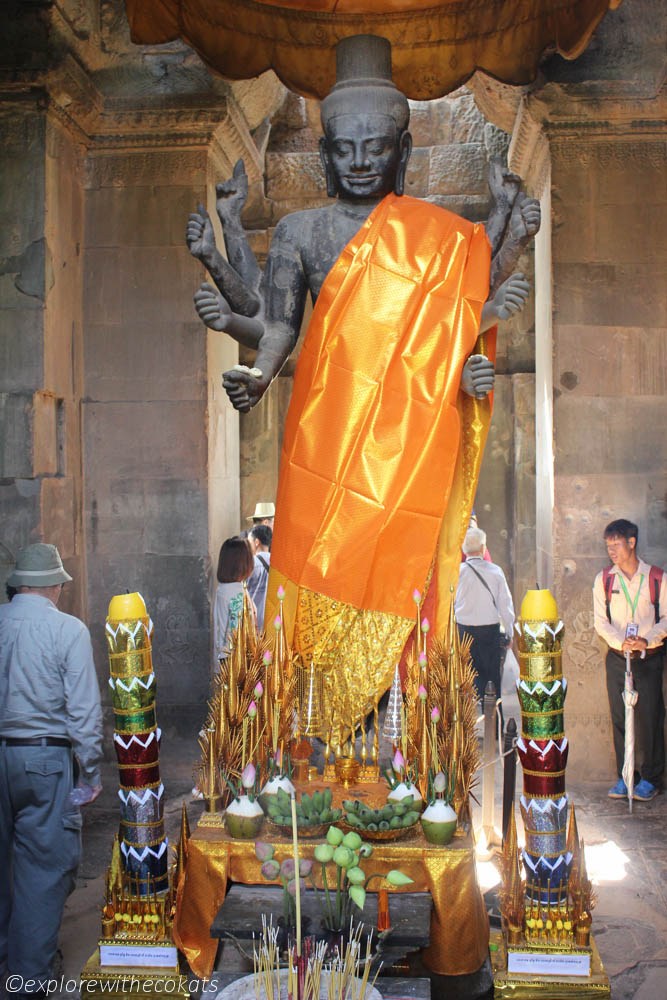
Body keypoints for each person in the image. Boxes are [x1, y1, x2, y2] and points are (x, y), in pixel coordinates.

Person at [187, 34, 539, 733]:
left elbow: (453, 316)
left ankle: (402, 742)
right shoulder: (299, 230)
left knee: (398, 573)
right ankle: (309, 741)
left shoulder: (437, 236)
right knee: (315, 576)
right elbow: (282, 327)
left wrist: (509, 236)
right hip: (322, 438)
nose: (356, 162)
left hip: (403, 441)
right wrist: (258, 375)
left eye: (374, 148)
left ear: (402, 154)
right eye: (342, 149)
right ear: (322, 155)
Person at [0, 543, 103, 995]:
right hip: (45, 759)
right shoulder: (68, 630)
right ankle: (27, 980)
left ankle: (8, 956)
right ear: (55, 587)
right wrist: (91, 770)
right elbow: (84, 711)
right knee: (44, 869)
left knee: (5, 864)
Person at [593, 518, 667, 802]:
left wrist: (647, 639)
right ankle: (626, 776)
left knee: (650, 717)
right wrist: (618, 641)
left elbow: (665, 618)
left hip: (649, 657)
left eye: (616, 543)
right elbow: (601, 622)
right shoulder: (604, 579)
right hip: (617, 657)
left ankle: (651, 777)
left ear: (632, 542)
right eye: (608, 544)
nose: (611, 550)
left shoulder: (656, 577)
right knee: (620, 718)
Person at [455, 526, 515, 718]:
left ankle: (466, 730)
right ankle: (495, 725)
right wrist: (510, 632)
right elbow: (505, 605)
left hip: (463, 631)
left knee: (466, 680)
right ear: (483, 548)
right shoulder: (495, 571)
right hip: (489, 632)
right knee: (492, 681)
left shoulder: (457, 573)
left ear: (464, 549)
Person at [213, 536, 256, 662]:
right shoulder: (232, 591)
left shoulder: (232, 588)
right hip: (234, 661)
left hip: (233, 658)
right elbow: (229, 631)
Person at [247, 525, 272, 632]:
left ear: (256, 542)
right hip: (272, 620)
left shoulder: (251, 563)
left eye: (249, 542)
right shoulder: (277, 562)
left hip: (255, 621)